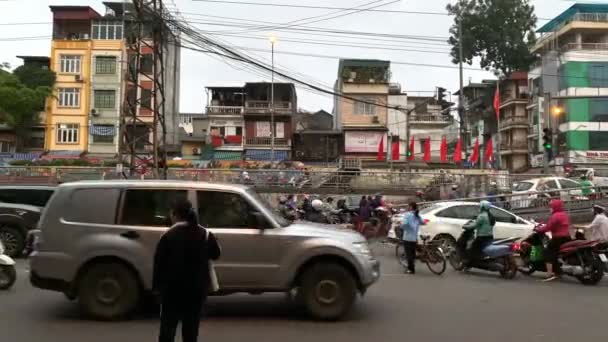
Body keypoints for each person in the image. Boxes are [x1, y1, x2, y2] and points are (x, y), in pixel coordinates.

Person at [153, 198, 221, 342]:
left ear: (175, 214)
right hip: (196, 290)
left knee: (168, 327)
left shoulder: (167, 235)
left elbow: (159, 265)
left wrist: (157, 289)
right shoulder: (205, 234)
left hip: (172, 290)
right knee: (191, 329)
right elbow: (216, 255)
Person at [536, 199, 571, 282]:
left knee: (547, 252)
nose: (550, 208)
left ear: (555, 207)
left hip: (558, 238)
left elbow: (548, 227)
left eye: (551, 207)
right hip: (567, 237)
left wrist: (539, 229)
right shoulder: (564, 214)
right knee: (555, 253)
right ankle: (558, 271)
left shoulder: (555, 216)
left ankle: (549, 274)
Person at [463, 200, 496, 266]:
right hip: (490, 236)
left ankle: (469, 262)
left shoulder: (481, 216)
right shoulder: (491, 216)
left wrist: (465, 226)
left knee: (472, 249)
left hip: (481, 237)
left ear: (482, 207)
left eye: (480, 206)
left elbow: (475, 225)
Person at [401, 202, 425, 274]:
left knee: (408, 254)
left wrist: (401, 226)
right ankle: (412, 266)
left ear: (411, 207)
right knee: (412, 253)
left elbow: (404, 224)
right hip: (414, 238)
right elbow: (422, 222)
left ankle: (411, 269)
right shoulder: (417, 215)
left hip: (407, 237)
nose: (407, 207)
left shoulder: (407, 215)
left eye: (408, 206)